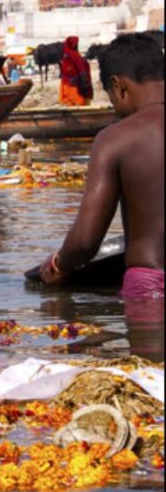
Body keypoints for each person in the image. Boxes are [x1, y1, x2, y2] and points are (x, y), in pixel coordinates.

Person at [40, 33, 164, 304]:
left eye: (111, 100)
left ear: (118, 86)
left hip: (151, 288)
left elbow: (85, 242)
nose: (114, 109)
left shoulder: (115, 139)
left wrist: (58, 265)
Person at [59, 36, 93, 106]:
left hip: (66, 86)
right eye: (77, 44)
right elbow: (81, 72)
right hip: (75, 88)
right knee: (79, 104)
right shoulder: (75, 56)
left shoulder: (65, 56)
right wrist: (86, 84)